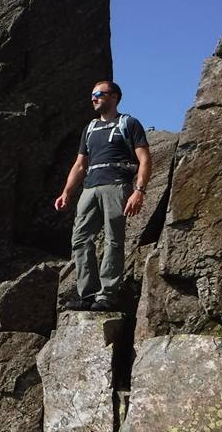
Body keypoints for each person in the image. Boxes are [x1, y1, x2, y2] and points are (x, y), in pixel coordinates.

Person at [54, 81, 151, 312]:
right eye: (92, 95)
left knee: (113, 240)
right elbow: (80, 164)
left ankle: (107, 295)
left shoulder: (128, 123)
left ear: (114, 97)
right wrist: (67, 192)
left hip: (116, 185)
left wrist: (139, 191)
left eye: (99, 94)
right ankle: (87, 295)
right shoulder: (90, 128)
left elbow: (145, 160)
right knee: (80, 239)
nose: (94, 98)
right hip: (90, 187)